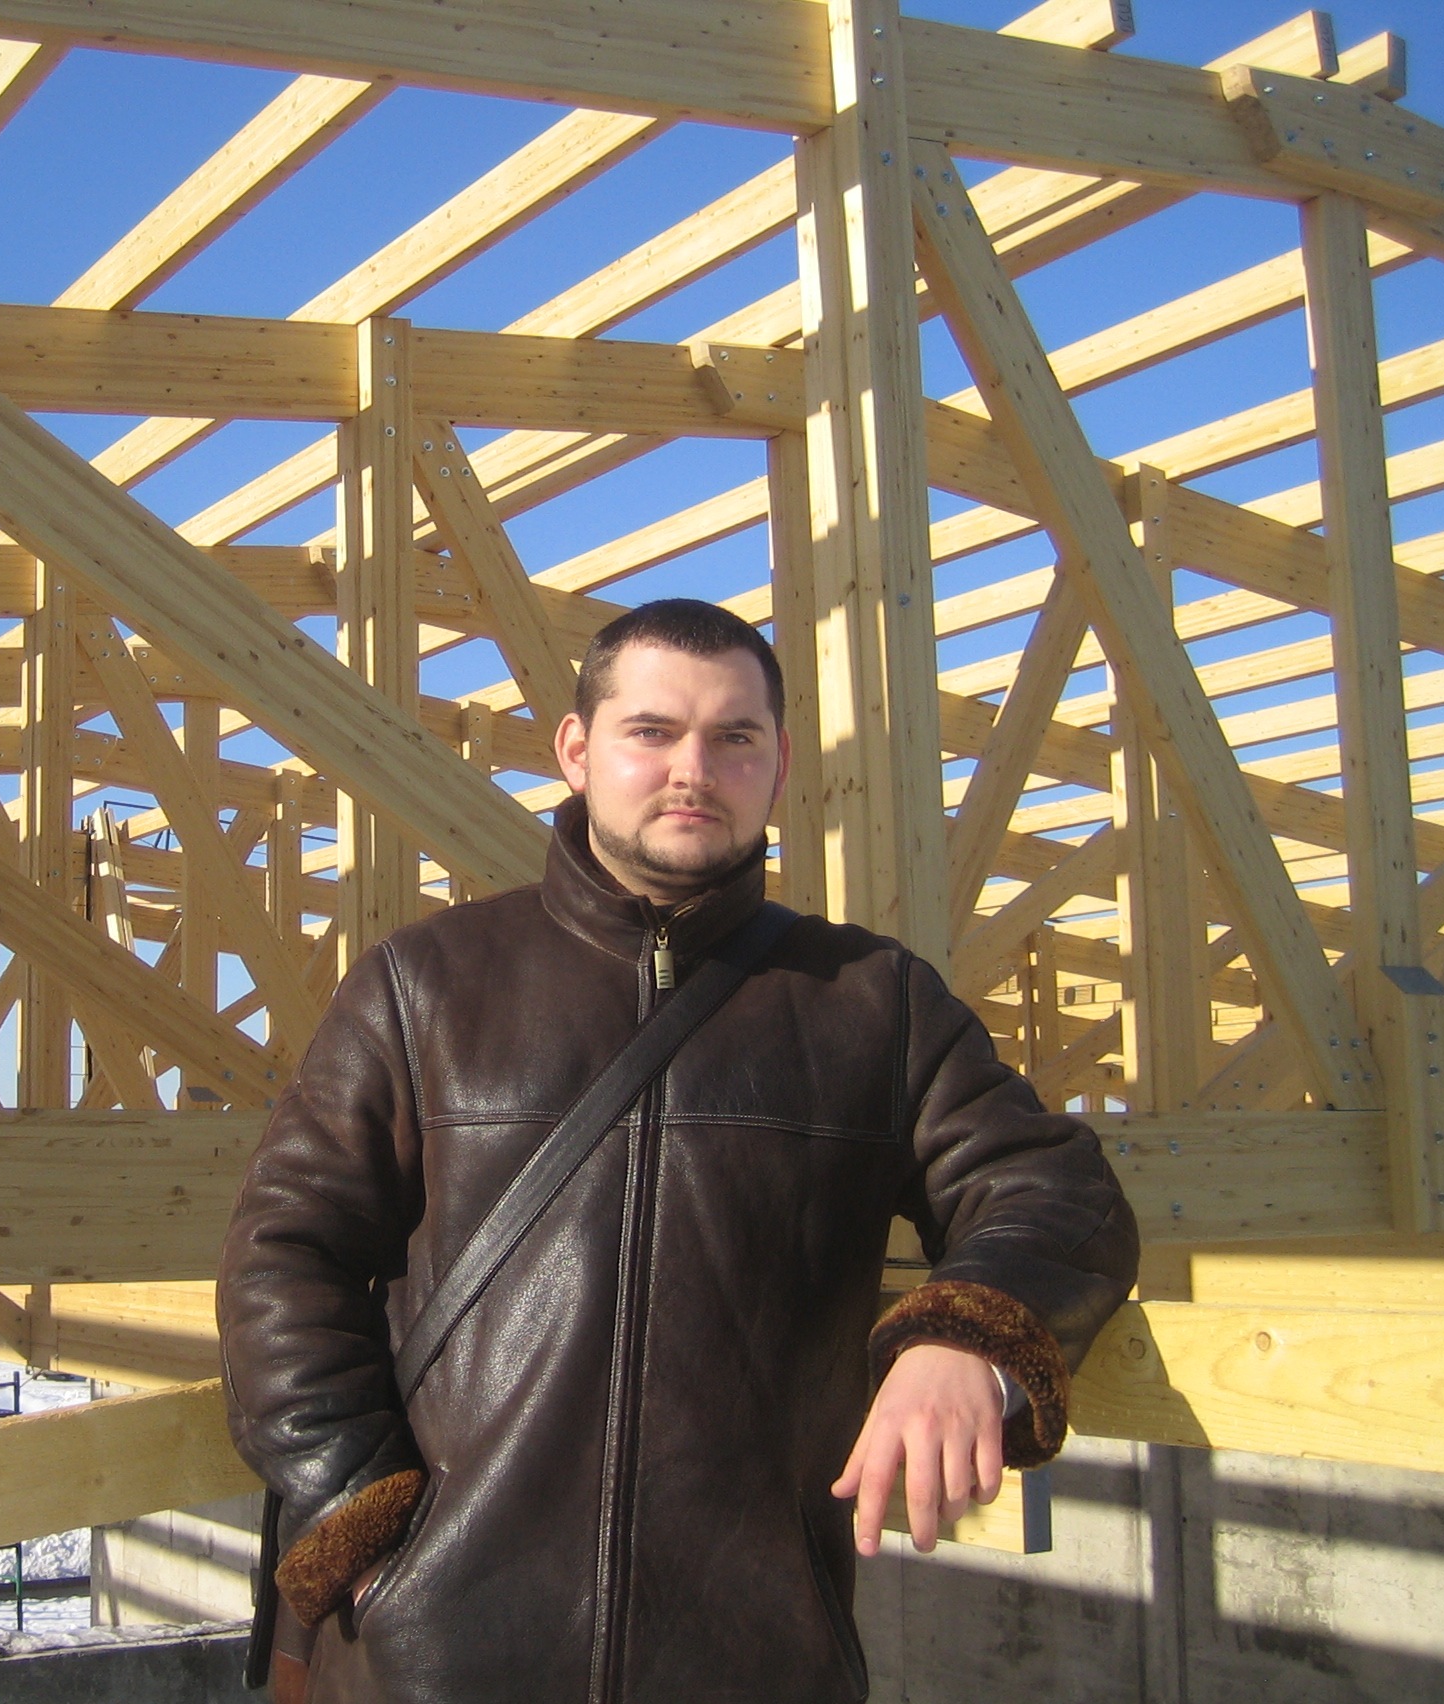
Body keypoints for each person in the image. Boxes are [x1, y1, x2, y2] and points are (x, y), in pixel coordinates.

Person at [217, 599, 1138, 1703]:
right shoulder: (425, 987)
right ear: (577, 750)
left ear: (778, 764)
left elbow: (1057, 1190)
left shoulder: (870, 1002)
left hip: (754, 1659)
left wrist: (964, 1335)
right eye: (650, 731)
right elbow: (286, 1252)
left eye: (733, 738)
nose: (692, 770)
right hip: (435, 1656)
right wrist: (363, 1524)